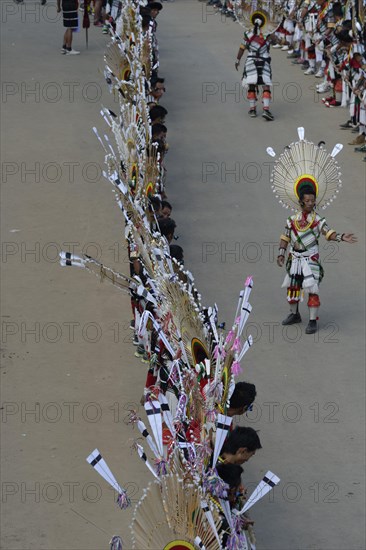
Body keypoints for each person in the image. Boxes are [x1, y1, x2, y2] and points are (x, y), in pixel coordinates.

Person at [277, 185, 357, 334]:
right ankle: (295, 315)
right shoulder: (291, 220)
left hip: (310, 260)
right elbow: (285, 237)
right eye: (307, 200)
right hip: (294, 259)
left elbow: (328, 233)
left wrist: (340, 237)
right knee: (293, 288)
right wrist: (281, 253)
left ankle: (313, 321)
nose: (310, 203)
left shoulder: (318, 220)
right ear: (301, 202)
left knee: (312, 289)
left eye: (312, 200)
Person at [235, 13, 274, 120]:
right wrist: (285, 42)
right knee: (266, 85)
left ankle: (252, 110)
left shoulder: (247, 34)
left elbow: (242, 48)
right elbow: (277, 41)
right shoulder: (267, 33)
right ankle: (266, 110)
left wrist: (237, 60)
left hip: (251, 62)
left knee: (251, 84)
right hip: (264, 61)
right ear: (264, 23)